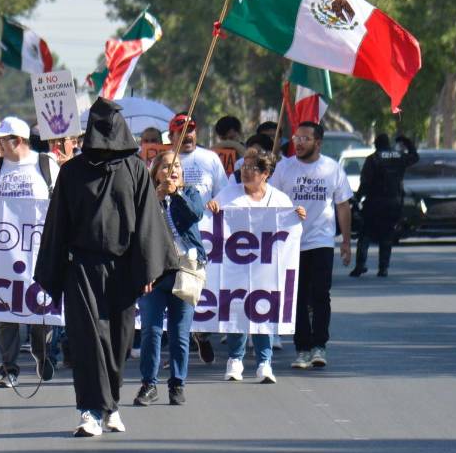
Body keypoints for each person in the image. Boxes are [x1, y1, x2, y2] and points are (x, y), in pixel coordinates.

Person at [35, 98, 178, 438]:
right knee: (87, 339)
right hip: (82, 268)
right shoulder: (72, 172)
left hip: (124, 268)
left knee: (118, 341)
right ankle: (89, 410)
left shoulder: (135, 170)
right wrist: (55, 270)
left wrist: (148, 270)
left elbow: (148, 221)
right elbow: (58, 223)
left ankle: (110, 404)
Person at [207, 151, 305, 384]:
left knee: (263, 310)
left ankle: (264, 362)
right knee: (236, 308)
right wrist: (211, 206)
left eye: (252, 168)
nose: (246, 171)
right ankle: (235, 359)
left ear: (265, 173)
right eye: (244, 166)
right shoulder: (229, 194)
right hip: (234, 265)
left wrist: (297, 215)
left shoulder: (279, 199)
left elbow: (290, 229)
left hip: (266, 268)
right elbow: (211, 218)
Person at [0, 116, 60, 388]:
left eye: (2, 140)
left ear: (19, 140)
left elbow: (61, 200)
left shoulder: (45, 164)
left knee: (40, 310)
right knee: (5, 312)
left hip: (39, 251)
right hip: (4, 252)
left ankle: (42, 352)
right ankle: (9, 368)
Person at [270, 121, 353, 370]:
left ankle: (319, 346)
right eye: (297, 138)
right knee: (296, 297)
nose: (299, 142)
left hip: (321, 241)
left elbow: (342, 205)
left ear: (318, 143)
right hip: (291, 242)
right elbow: (270, 200)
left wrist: (346, 241)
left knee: (320, 295)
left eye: (305, 138)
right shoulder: (284, 168)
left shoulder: (332, 168)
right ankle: (302, 349)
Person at [134, 150, 203, 407]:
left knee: (179, 333)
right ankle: (148, 384)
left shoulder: (190, 193)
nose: (171, 171)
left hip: (184, 270)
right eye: (165, 166)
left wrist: (176, 195)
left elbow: (195, 215)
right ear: (155, 173)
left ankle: (177, 383)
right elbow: (138, 227)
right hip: (155, 271)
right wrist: (157, 198)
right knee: (151, 331)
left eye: (176, 167)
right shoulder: (146, 197)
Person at [351, 134, 418, 278]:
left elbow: (365, 183)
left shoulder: (373, 159)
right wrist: (407, 142)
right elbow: (415, 157)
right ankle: (383, 268)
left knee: (365, 234)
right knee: (387, 236)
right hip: (393, 203)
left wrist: (357, 199)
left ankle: (360, 265)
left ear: (376, 145)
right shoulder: (399, 156)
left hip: (374, 203)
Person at [170, 114, 228, 200]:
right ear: (171, 137)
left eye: (190, 131)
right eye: (182, 131)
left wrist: (215, 202)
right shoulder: (162, 160)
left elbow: (224, 193)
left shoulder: (211, 158)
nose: (187, 135)